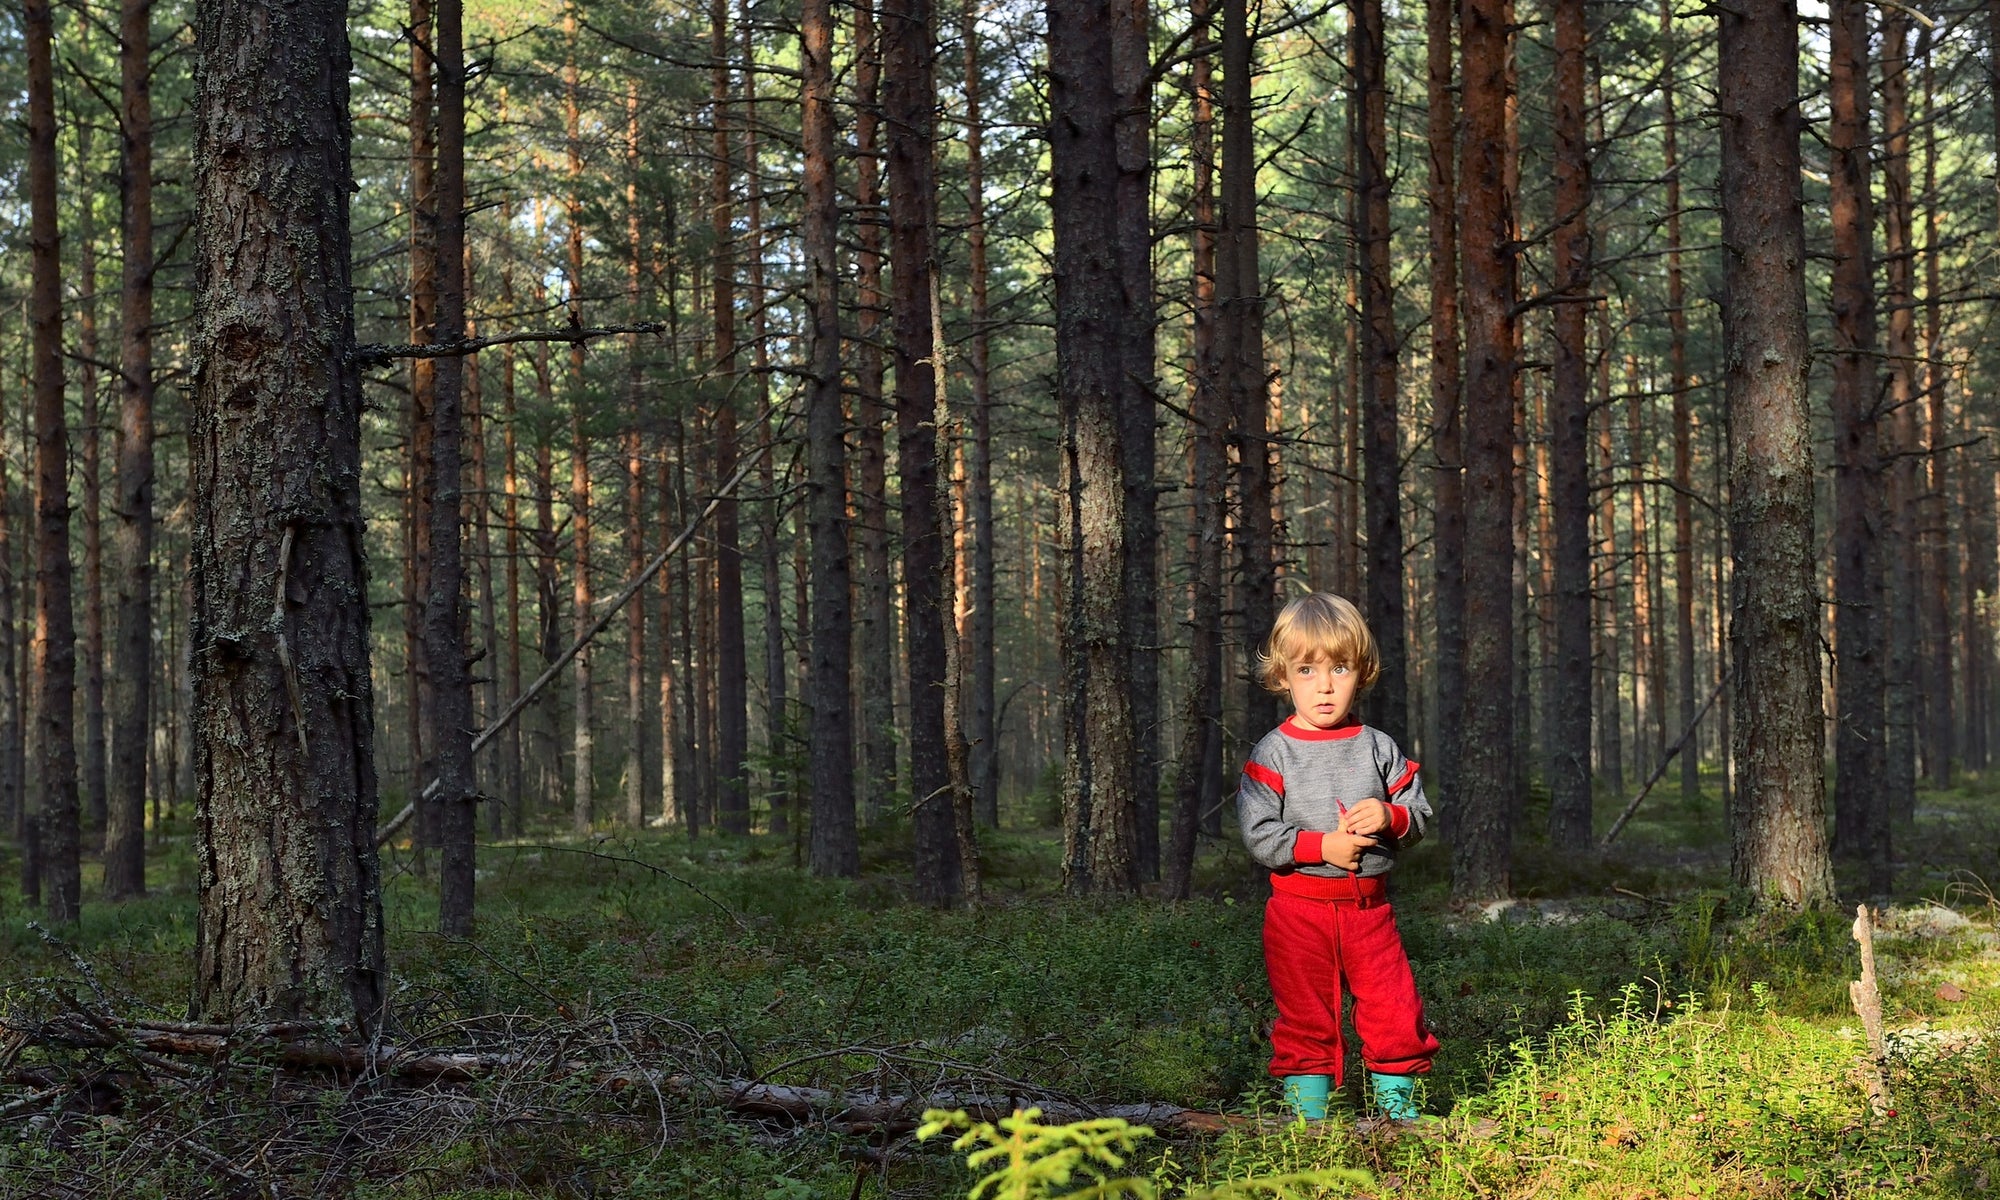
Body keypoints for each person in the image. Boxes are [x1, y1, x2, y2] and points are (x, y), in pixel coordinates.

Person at [1238, 592, 1440, 1124]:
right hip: (1297, 913)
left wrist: (1389, 817)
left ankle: (1401, 1121)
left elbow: (1417, 814)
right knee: (1307, 1017)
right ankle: (1310, 1124)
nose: (1325, 685)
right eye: (1307, 670)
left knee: (1395, 1009)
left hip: (1369, 914)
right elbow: (1259, 835)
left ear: (1363, 671)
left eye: (1340, 668)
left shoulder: (1378, 746)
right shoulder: (1272, 752)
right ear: (1283, 676)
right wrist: (1320, 846)